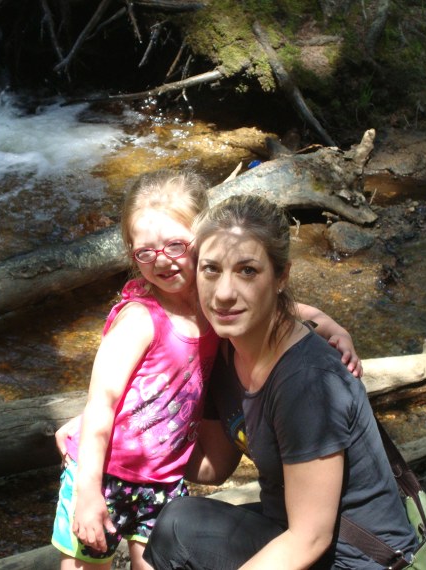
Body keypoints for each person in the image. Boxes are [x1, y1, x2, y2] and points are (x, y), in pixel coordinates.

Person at [52, 170, 363, 570]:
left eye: (175, 245)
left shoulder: (211, 301)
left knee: (157, 557)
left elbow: (279, 305)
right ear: (131, 253)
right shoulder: (139, 320)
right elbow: (104, 401)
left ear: (201, 241)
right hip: (106, 473)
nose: (162, 260)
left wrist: (331, 326)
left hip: (162, 477)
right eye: (145, 252)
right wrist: (87, 493)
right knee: (86, 560)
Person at [143, 194, 418, 569]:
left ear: (281, 276)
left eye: (247, 271)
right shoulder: (226, 348)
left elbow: (310, 538)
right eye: (211, 269)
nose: (224, 293)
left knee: (179, 530)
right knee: (178, 525)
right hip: (288, 528)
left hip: (358, 560)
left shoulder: (306, 383)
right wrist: (124, 443)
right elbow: (215, 466)